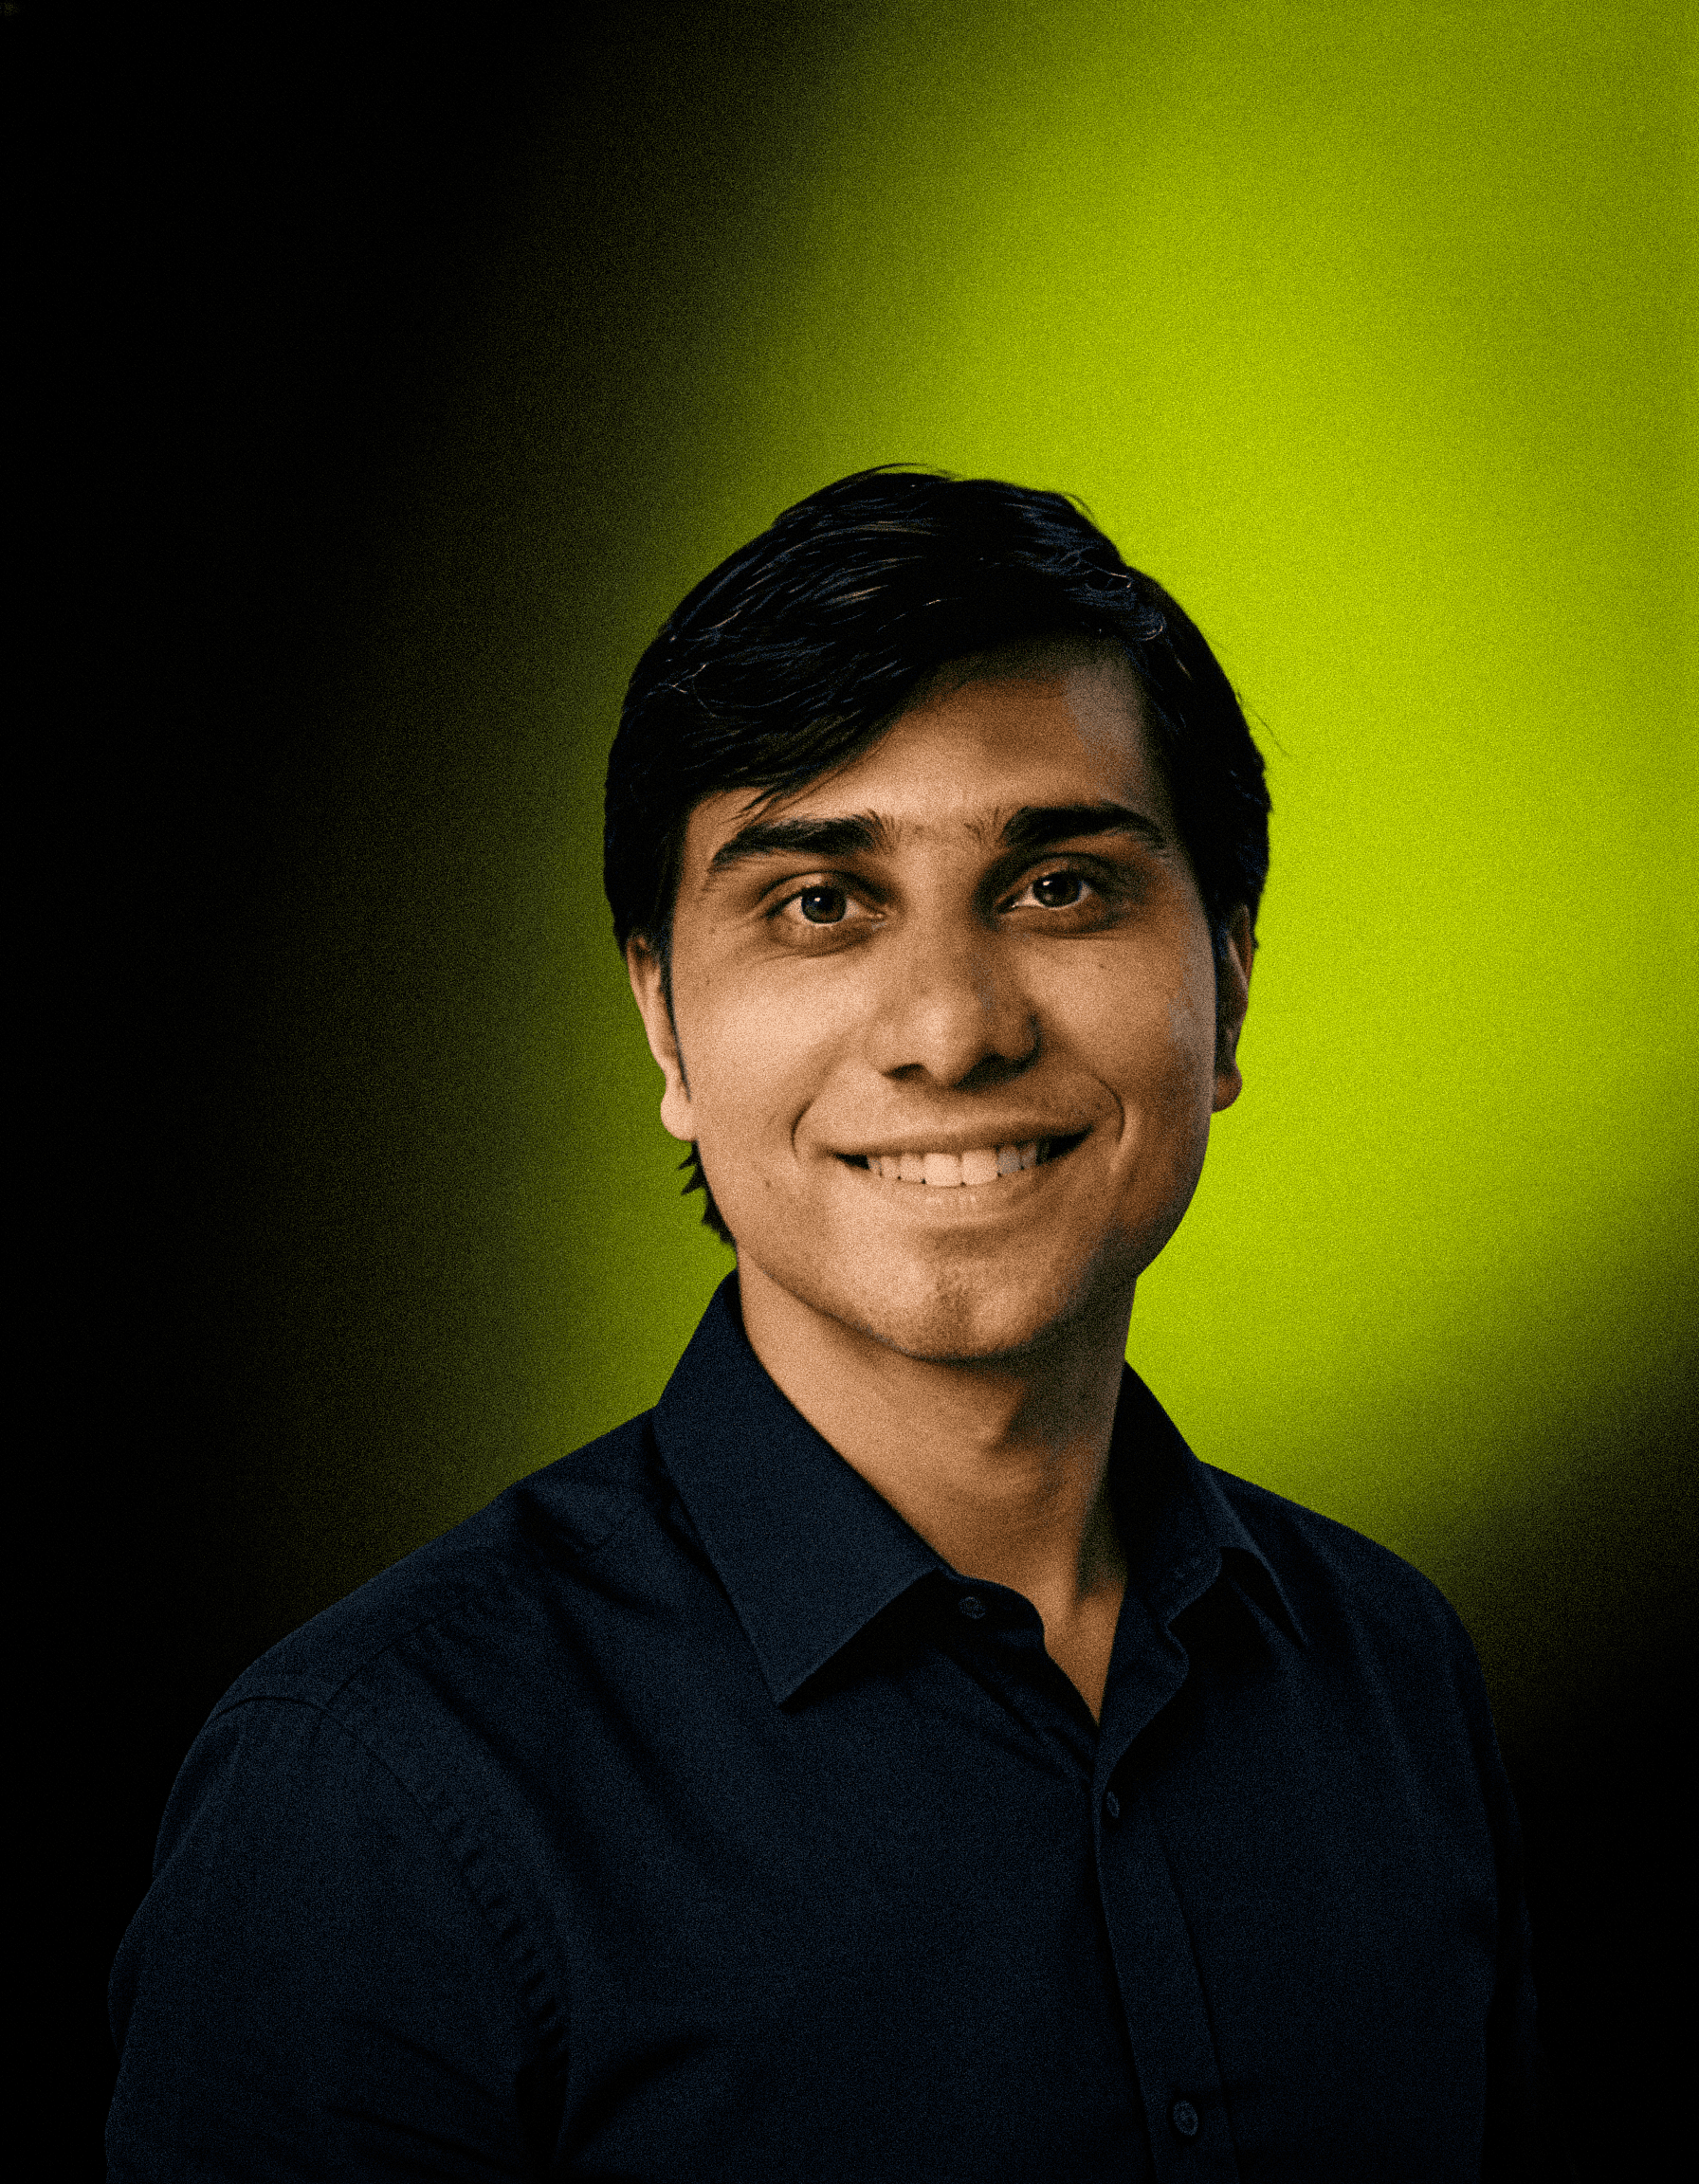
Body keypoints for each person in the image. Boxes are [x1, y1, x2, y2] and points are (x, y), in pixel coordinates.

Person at [108, 467, 1562, 2179]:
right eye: (820, 903)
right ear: (663, 1018)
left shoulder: (1393, 1682)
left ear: (1228, 979)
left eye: (1064, 887)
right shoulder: (372, 1790)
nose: (952, 1031)